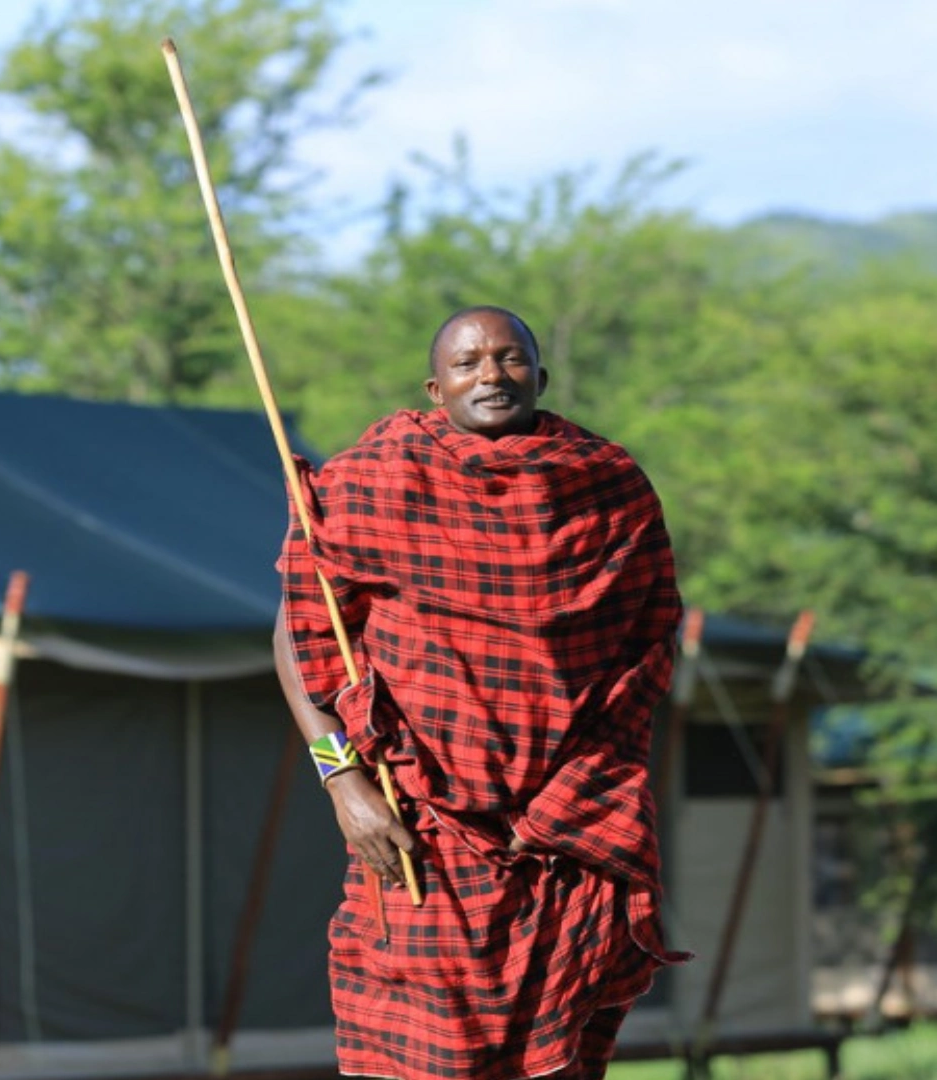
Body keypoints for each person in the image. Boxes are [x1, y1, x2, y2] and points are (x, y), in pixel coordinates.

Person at [274, 306, 686, 1080]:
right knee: (421, 1053)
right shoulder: (372, 481)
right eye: (468, 364)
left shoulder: (608, 486)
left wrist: (580, 786)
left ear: (541, 375)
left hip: (568, 825)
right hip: (422, 823)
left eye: (509, 359)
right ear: (437, 387)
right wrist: (343, 780)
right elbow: (297, 637)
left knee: (563, 1051)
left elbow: (648, 644)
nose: (491, 376)